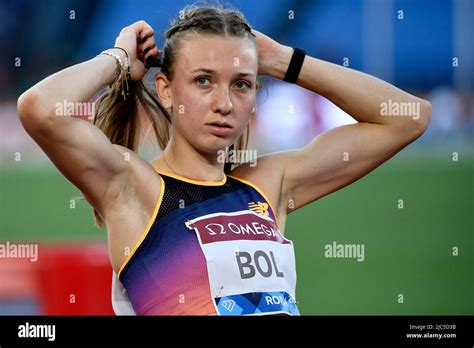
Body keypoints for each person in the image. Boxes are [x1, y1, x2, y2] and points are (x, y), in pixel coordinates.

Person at [17, 4, 431, 316]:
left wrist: (285, 61)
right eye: (203, 81)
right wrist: (119, 58)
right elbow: (39, 107)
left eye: (242, 85)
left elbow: (408, 118)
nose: (224, 104)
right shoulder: (133, 186)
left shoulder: (268, 182)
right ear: (165, 90)